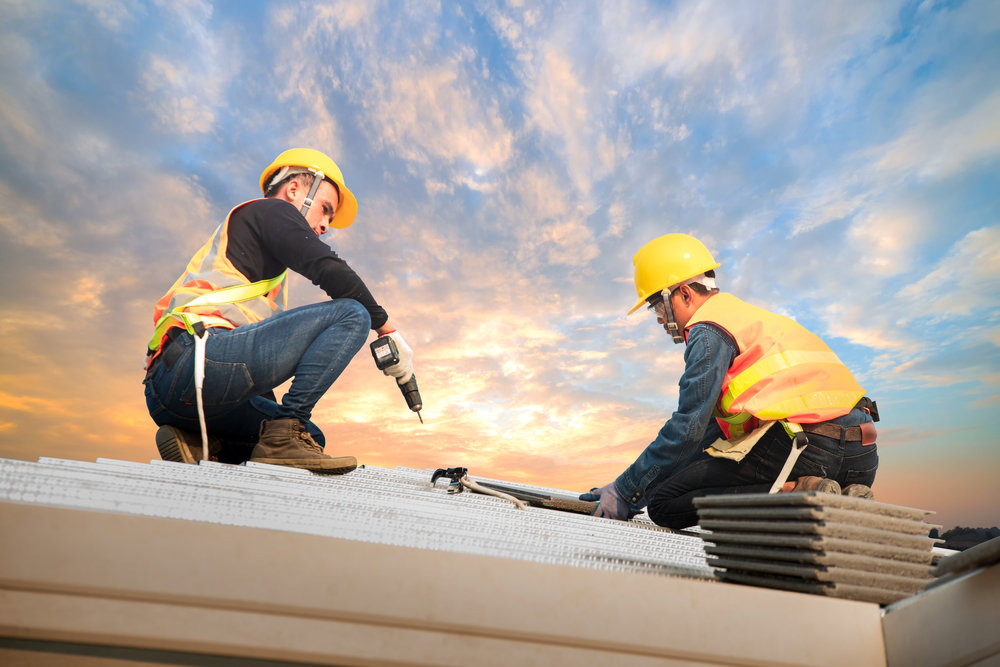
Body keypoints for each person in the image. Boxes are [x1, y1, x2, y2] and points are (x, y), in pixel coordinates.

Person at [143, 148, 415, 474]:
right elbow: (327, 268)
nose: (325, 225)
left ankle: (201, 443)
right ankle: (284, 433)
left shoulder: (259, 262)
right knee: (353, 314)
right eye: (325, 210)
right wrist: (386, 328)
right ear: (295, 189)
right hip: (195, 362)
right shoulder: (270, 210)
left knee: (311, 437)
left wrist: (277, 420)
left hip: (171, 392)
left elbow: (250, 361)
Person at [582, 233, 878, 528]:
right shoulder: (751, 321)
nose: (659, 318)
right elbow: (706, 438)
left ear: (684, 294)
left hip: (805, 449)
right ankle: (826, 488)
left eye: (657, 306)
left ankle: (796, 491)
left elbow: (688, 428)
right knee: (677, 482)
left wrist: (624, 491)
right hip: (862, 455)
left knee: (664, 504)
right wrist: (634, 487)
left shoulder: (708, 331)